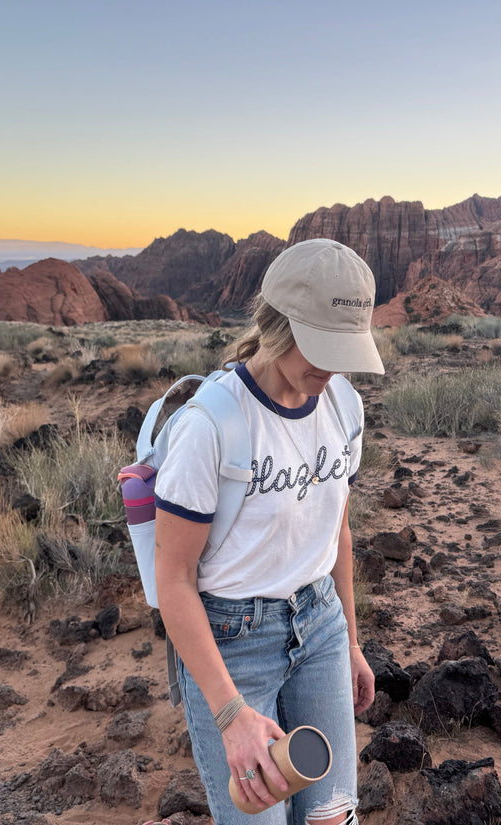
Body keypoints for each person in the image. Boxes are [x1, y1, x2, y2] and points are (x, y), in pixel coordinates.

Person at [153, 238, 384, 825]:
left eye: (343, 347)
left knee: (334, 816)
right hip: (233, 641)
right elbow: (173, 580)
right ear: (278, 324)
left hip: (321, 627)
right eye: (320, 344)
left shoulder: (344, 407)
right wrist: (230, 716)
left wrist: (350, 642)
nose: (331, 367)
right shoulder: (210, 425)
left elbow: (338, 533)